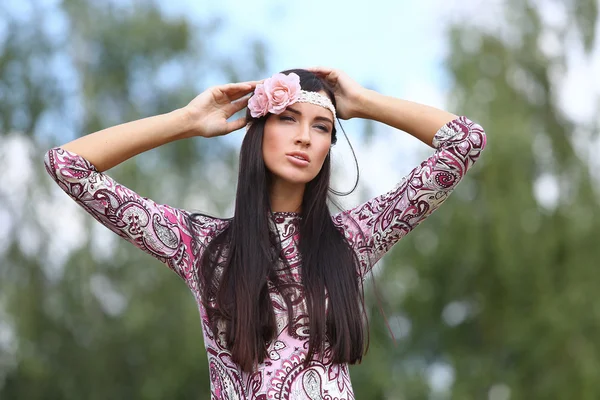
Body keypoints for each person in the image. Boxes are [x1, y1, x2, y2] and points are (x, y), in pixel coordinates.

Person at [44, 67, 487, 399]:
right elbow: (67, 165)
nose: (305, 138)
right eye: (287, 119)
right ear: (258, 132)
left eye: (321, 127)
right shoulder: (200, 246)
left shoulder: (353, 239)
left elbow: (466, 140)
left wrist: (364, 102)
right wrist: (187, 120)